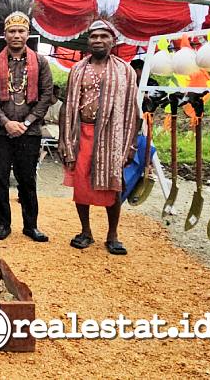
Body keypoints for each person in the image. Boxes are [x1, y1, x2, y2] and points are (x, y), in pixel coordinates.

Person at [60, 20, 140, 255]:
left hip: (111, 136)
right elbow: (68, 106)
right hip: (81, 132)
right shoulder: (77, 69)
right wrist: (66, 140)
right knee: (81, 185)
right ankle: (85, 232)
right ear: (89, 40)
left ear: (112, 41)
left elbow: (131, 110)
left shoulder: (124, 70)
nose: (98, 40)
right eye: (94, 36)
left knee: (113, 185)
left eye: (104, 36)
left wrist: (129, 146)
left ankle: (112, 235)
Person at [0, 0, 53, 242]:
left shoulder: (41, 61)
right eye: (11, 31)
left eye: (21, 31)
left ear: (28, 33)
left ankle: (30, 225)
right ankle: (3, 224)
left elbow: (47, 95)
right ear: (4, 34)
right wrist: (5, 122)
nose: (16, 35)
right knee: (0, 178)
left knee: (27, 179)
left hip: (29, 131)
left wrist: (26, 122)